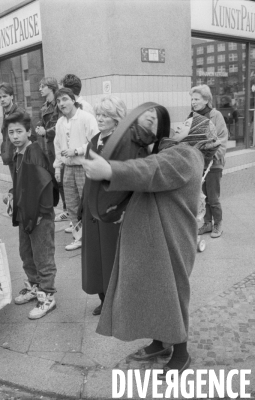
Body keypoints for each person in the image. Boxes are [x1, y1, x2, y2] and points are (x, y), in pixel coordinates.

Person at [81, 107, 204, 377]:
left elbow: (151, 170)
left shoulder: (186, 155)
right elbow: (145, 176)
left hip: (171, 238)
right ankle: (160, 343)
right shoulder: (167, 152)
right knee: (155, 292)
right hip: (155, 237)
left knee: (171, 295)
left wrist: (109, 169)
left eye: (185, 125)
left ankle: (181, 354)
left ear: (195, 135)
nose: (177, 125)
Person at [80, 95, 142, 316]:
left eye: (105, 115)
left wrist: (126, 209)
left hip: (113, 209)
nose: (100, 118)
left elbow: (130, 178)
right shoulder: (94, 140)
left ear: (117, 118)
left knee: (112, 257)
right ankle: (104, 298)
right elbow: (88, 178)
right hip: (92, 209)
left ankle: (118, 301)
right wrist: (82, 206)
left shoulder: (124, 143)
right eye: (98, 114)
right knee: (96, 257)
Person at [5, 111, 59, 319]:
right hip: (24, 213)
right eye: (11, 132)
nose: (15, 136)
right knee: (26, 254)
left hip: (39, 216)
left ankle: (47, 295)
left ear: (29, 132)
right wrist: (12, 195)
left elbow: (44, 187)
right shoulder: (18, 153)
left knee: (43, 255)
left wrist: (40, 214)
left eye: (19, 131)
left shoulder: (33, 152)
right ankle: (35, 286)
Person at [53, 88, 99, 251]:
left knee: (86, 202)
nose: (61, 104)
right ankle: (79, 237)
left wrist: (77, 150)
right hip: (68, 167)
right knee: (71, 203)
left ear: (73, 100)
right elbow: (57, 145)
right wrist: (58, 166)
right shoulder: (60, 122)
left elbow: (96, 141)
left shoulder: (86, 118)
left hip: (83, 165)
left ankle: (93, 236)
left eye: (65, 99)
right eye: (58, 101)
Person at [190, 85, 228, 239]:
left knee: (213, 198)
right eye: (192, 99)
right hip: (200, 163)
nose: (193, 102)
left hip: (214, 163)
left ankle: (218, 223)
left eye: (196, 99)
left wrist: (213, 154)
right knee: (203, 197)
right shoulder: (192, 117)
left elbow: (222, 139)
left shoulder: (216, 116)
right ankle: (207, 223)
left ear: (206, 100)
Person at [36, 77, 68, 223]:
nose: (40, 89)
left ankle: (69, 210)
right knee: (55, 179)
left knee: (62, 179)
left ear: (51, 87)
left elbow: (61, 126)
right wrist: (38, 127)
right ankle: (65, 209)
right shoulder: (45, 106)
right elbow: (41, 121)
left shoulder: (58, 104)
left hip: (58, 145)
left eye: (43, 86)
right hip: (47, 146)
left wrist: (46, 131)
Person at [0, 83, 20, 178]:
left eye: (5, 96)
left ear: (12, 96)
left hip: (19, 158)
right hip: (11, 158)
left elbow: (30, 136)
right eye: (0, 97)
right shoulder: (6, 113)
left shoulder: (19, 113)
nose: (2, 99)